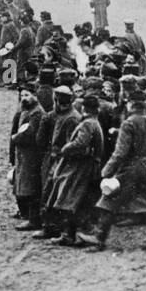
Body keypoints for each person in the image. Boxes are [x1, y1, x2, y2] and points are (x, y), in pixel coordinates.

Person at [82, 89, 146, 251]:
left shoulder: (128, 123)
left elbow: (120, 152)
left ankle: (99, 237)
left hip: (129, 169)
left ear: (130, 105)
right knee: (144, 202)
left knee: (110, 200)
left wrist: (107, 170)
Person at [44, 92, 105, 247]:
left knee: (68, 200)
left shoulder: (87, 124)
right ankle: (72, 234)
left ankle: (69, 235)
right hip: (88, 167)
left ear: (84, 108)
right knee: (76, 202)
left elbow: (80, 143)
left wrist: (66, 148)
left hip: (80, 168)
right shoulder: (94, 122)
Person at [33, 85, 83, 239]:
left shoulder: (72, 118)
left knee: (53, 192)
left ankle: (52, 227)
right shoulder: (56, 115)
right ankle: (49, 225)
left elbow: (70, 144)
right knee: (48, 190)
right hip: (54, 158)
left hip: (62, 160)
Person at [10, 86, 48, 229]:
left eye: (27, 95)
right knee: (22, 182)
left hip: (32, 155)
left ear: (35, 96)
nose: (24, 98)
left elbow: (30, 134)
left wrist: (15, 138)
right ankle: (25, 212)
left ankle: (33, 219)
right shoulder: (27, 110)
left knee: (31, 185)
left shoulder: (37, 113)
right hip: (24, 154)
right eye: (22, 95)